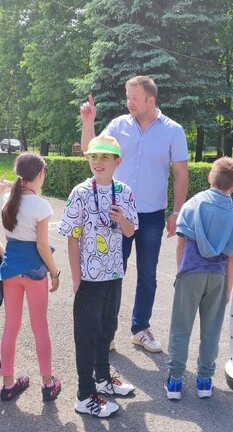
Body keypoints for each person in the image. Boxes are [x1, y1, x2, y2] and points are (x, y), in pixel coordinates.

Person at [80, 75, 189, 353]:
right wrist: (88, 122)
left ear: (150, 100)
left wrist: (177, 210)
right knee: (113, 273)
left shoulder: (173, 130)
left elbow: (180, 173)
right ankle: (108, 334)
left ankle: (140, 329)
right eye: (127, 97)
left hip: (152, 215)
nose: (129, 103)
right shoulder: (118, 125)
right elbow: (90, 151)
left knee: (148, 275)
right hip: (118, 212)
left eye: (134, 98)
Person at [59, 135, 139, 418]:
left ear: (117, 161)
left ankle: (103, 380)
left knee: (108, 329)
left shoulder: (125, 191)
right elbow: (72, 237)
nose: (98, 162)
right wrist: (76, 277)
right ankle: (84, 394)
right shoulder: (80, 193)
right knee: (86, 335)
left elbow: (130, 232)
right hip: (89, 278)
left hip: (114, 273)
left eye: (104, 157)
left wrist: (122, 220)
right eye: (93, 157)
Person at [165, 157, 233, 400]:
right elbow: (232, 258)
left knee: (181, 327)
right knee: (211, 330)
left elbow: (181, 244)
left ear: (211, 177)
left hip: (191, 273)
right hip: (218, 277)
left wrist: (182, 272)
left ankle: (175, 382)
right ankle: (205, 381)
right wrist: (228, 288)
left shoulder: (193, 204)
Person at [0, 152, 61, 402]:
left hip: (10, 269)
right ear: (40, 174)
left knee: (10, 326)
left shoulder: (7, 198)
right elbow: (42, 246)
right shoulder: (41, 205)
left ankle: (8, 384)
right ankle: (47, 383)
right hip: (35, 272)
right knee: (40, 327)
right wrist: (55, 273)